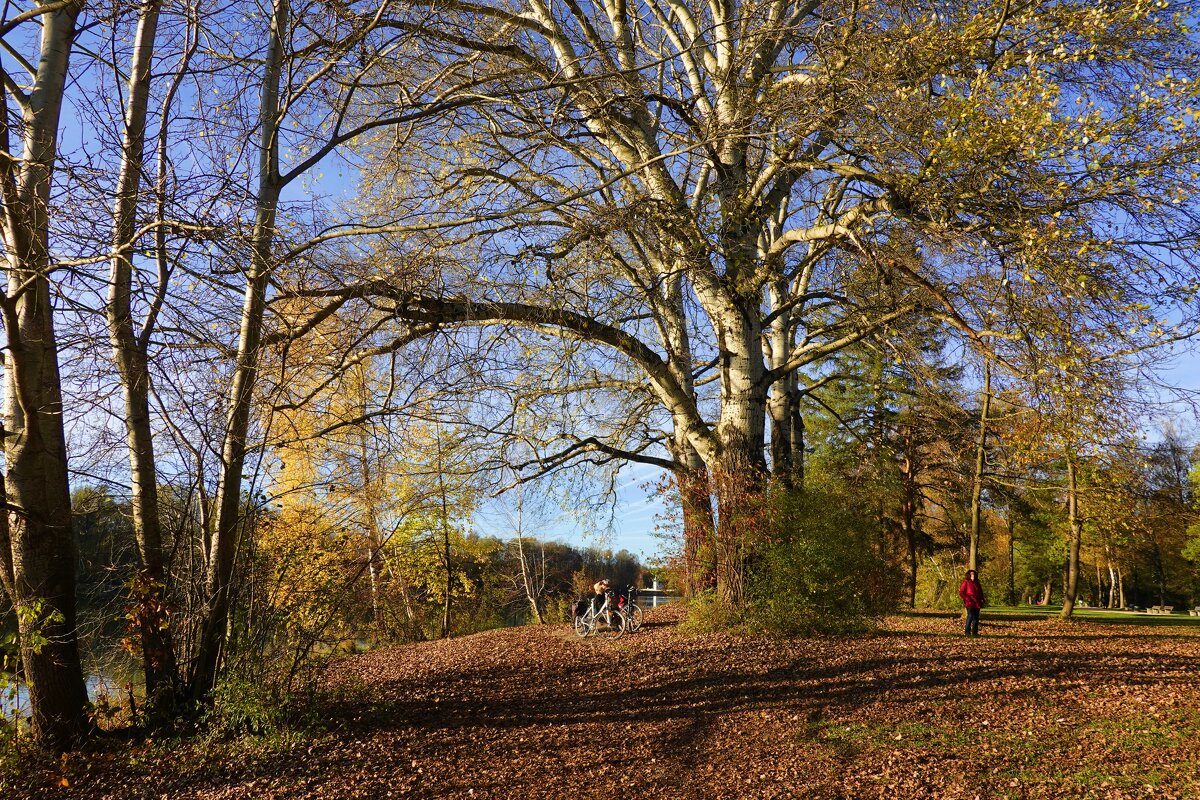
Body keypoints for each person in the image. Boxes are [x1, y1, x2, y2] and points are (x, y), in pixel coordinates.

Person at [959, 569, 985, 636]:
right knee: (970, 617)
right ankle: (967, 632)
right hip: (970, 603)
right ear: (969, 575)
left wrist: (982, 599)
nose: (973, 576)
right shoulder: (966, 582)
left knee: (976, 618)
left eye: (974, 574)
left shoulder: (977, 583)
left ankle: (975, 632)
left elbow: (980, 592)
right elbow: (961, 592)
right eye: (971, 574)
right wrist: (967, 598)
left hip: (977, 603)